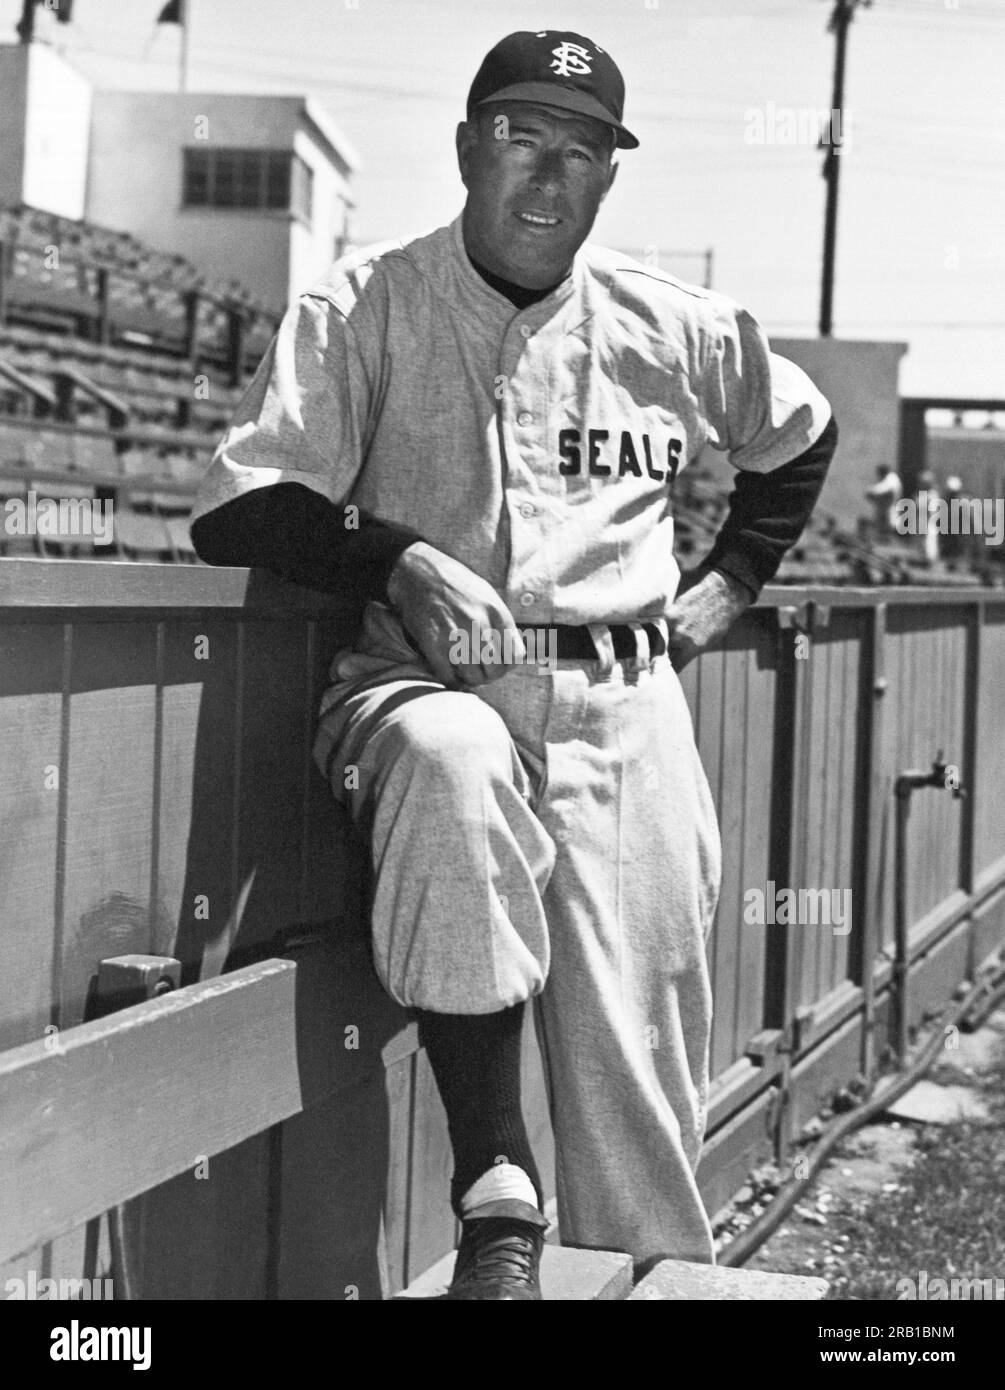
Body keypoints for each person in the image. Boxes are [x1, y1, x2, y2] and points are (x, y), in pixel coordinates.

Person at [191, 29, 838, 1300]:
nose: (548, 175)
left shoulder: (673, 323)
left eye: (582, 150)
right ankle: (497, 1187)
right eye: (519, 137)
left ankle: (641, 1268)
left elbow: (797, 438)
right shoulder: (365, 300)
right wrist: (394, 557)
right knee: (453, 754)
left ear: (607, 179)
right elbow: (240, 506)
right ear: (466, 150)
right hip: (421, 681)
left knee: (640, 1063)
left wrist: (729, 588)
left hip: (622, 700)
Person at [865, 463, 902, 539]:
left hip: (890, 508)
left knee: (890, 527)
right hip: (882, 508)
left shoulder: (892, 478)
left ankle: (891, 541)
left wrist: (871, 491)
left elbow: (883, 489)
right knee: (879, 528)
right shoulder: (885, 479)